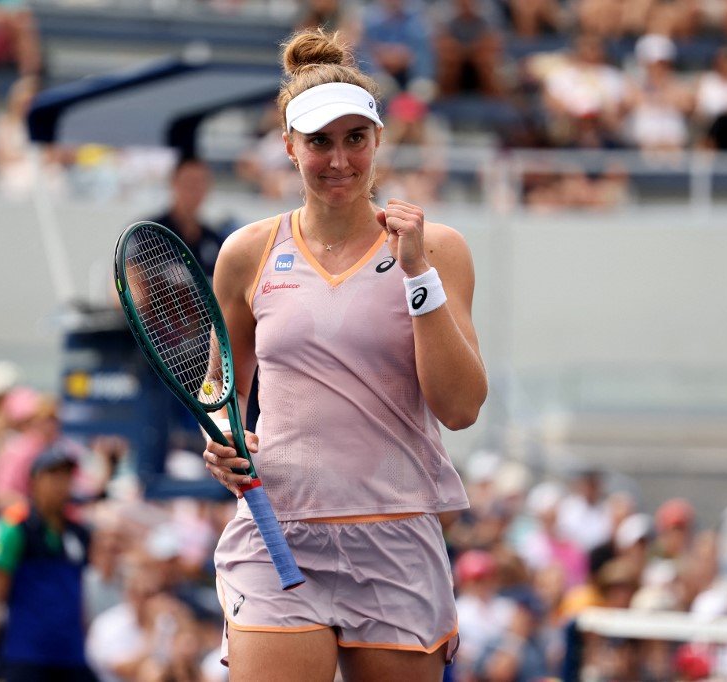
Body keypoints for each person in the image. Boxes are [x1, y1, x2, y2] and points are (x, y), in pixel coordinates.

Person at [202, 29, 487, 682]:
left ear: (378, 141)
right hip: (278, 532)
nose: (338, 159)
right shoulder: (248, 252)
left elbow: (462, 407)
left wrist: (417, 275)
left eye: (355, 138)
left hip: (395, 537)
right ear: (288, 147)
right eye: (319, 142)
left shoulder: (436, 248)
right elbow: (220, 392)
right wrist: (221, 441)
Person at [0, 442, 94, 682]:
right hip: (26, 657)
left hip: (72, 656)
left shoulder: (79, 534)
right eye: (53, 475)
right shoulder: (15, 530)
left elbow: (78, 597)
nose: (61, 483)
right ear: (34, 481)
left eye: (66, 476)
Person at [145, 157, 223, 278]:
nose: (194, 189)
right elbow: (128, 276)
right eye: (188, 182)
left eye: (200, 183)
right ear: (173, 183)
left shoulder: (215, 240)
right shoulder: (147, 233)